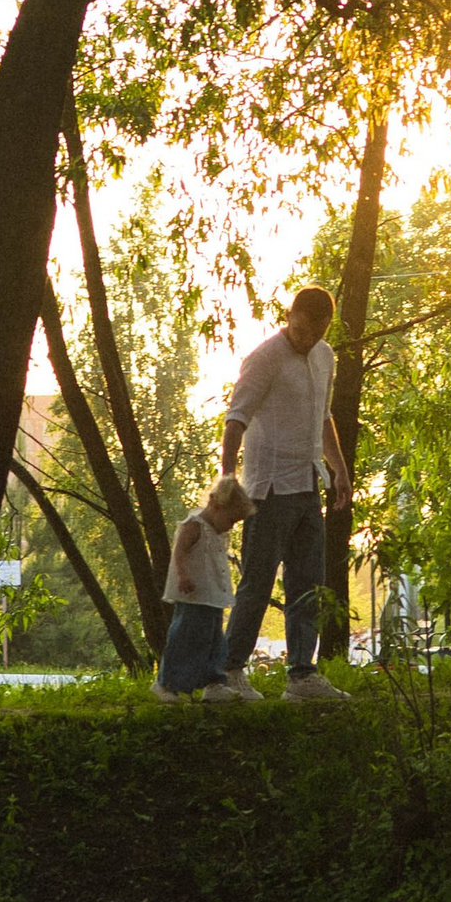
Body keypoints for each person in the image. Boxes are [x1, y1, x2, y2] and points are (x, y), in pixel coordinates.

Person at [218, 286, 348, 701]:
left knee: (308, 583)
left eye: (316, 331)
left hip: (309, 484)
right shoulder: (265, 357)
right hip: (268, 490)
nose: (305, 338)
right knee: (256, 583)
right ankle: (228, 673)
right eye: (300, 329)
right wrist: (227, 477)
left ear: (327, 326)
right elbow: (235, 418)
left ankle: (302, 676)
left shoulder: (325, 356)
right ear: (289, 315)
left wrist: (339, 468)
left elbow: (323, 416)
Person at [156, 474, 252, 699]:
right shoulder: (194, 525)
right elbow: (179, 552)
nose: (232, 526)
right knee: (185, 637)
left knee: (214, 640)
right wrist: (182, 574)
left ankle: (214, 682)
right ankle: (167, 683)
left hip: (212, 594)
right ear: (218, 507)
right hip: (193, 594)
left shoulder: (217, 532)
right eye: (231, 520)